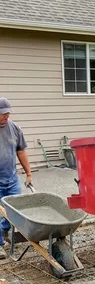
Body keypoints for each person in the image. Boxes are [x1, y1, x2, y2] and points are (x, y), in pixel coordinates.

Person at [0, 97, 33, 248]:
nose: (6, 116)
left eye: (7, 113)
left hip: (11, 179)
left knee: (13, 210)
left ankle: (4, 231)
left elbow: (21, 151)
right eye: (2, 114)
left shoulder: (14, 128)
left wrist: (29, 173)